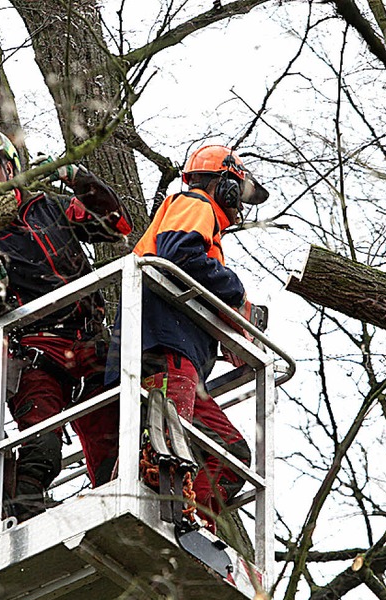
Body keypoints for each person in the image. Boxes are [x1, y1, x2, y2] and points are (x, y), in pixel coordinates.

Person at [0, 124, 133, 522]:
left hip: (88, 339)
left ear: (10, 168)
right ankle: (21, 515)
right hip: (35, 353)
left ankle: (119, 508)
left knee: (116, 437)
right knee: (40, 446)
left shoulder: (48, 206)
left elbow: (115, 226)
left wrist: (78, 179)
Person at [106, 144, 269, 533]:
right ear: (226, 185)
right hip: (163, 346)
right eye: (240, 195)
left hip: (182, 356)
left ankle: (190, 517)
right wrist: (236, 296)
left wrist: (230, 331)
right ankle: (160, 510)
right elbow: (180, 254)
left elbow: (189, 273)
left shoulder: (202, 222)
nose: (240, 207)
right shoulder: (195, 203)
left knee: (230, 456)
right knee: (161, 441)